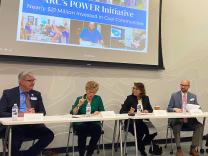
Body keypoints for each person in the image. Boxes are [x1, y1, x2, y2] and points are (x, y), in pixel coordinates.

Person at [0, 71, 54, 156]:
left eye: (34, 80)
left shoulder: (36, 94)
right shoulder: (8, 93)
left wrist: (34, 114)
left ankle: (28, 154)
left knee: (49, 135)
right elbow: (1, 112)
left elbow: (43, 112)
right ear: (21, 81)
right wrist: (20, 114)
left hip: (31, 125)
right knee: (15, 139)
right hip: (14, 126)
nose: (33, 83)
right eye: (30, 80)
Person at [167, 80, 203, 156]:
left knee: (199, 126)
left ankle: (193, 148)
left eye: (185, 85)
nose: (182, 86)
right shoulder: (174, 95)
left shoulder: (193, 96)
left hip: (190, 120)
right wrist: (174, 109)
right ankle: (179, 149)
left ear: (188, 86)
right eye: (181, 85)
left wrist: (196, 109)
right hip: (178, 120)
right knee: (176, 127)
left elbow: (198, 107)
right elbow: (169, 108)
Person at [120, 82, 157, 156]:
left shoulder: (146, 98)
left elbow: (151, 109)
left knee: (153, 132)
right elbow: (121, 111)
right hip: (131, 123)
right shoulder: (129, 98)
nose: (134, 90)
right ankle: (142, 150)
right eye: (133, 88)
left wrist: (147, 110)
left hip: (144, 121)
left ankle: (141, 146)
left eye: (136, 89)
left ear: (141, 90)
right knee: (139, 133)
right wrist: (129, 112)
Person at [71, 81, 105, 156]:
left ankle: (89, 153)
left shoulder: (98, 98)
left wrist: (98, 112)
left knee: (97, 130)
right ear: (86, 90)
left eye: (93, 92)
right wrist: (79, 105)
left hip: (93, 122)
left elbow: (103, 111)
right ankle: (81, 154)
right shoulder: (80, 98)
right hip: (81, 123)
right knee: (82, 129)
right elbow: (73, 113)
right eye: (89, 92)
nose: (91, 94)